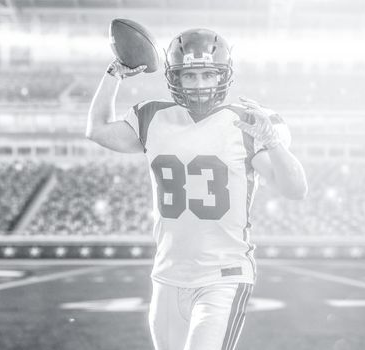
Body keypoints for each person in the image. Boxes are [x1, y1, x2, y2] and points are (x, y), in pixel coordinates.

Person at [86, 28, 307, 350]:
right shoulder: (152, 116)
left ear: (225, 75)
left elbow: (295, 189)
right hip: (167, 274)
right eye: (190, 76)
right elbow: (97, 130)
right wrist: (114, 74)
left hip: (223, 274)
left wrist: (274, 143)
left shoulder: (247, 122)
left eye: (208, 74)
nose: (201, 84)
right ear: (175, 77)